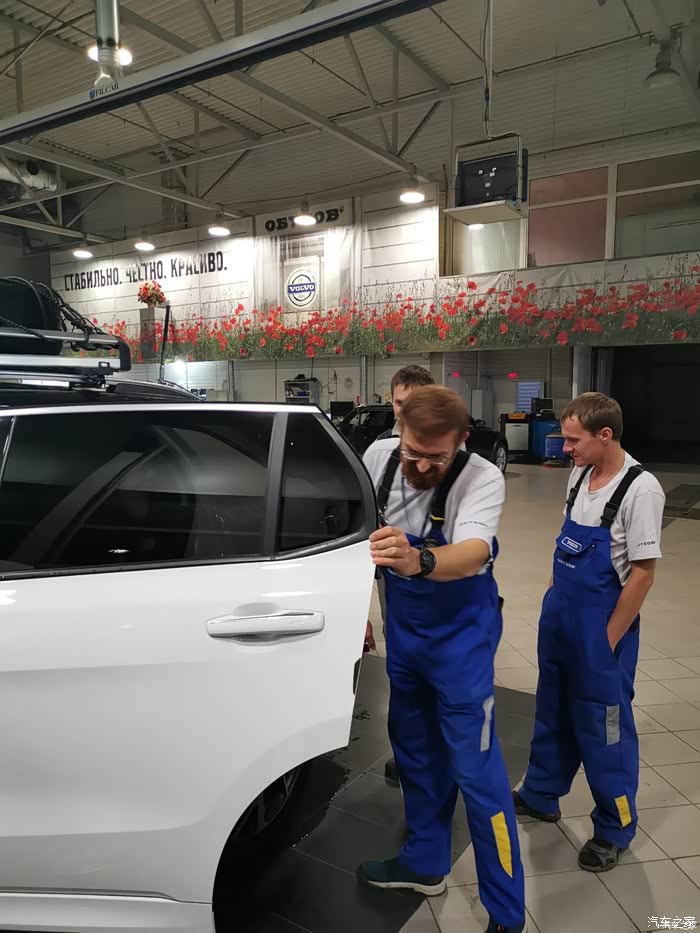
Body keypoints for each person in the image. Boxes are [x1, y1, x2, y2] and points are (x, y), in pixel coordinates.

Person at [359, 386, 526, 933]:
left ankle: (506, 911)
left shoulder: (482, 477)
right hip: (406, 639)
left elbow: (474, 552)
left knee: (477, 774)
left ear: (462, 441)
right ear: (399, 430)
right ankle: (424, 862)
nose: (423, 465)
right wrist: (358, 611)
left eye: (438, 456)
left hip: (462, 643)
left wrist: (419, 559)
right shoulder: (379, 457)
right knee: (415, 754)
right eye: (414, 451)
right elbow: (360, 536)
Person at [514, 392, 665, 873]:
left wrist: (608, 641)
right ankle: (541, 793)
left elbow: (642, 574)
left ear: (605, 435)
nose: (565, 449)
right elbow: (565, 543)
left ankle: (614, 828)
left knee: (605, 729)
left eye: (573, 440)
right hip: (561, 618)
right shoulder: (580, 475)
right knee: (552, 708)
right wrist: (553, 596)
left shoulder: (641, 489)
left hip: (602, 628)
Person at [364, 364, 435, 784]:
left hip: (442, 584)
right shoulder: (378, 454)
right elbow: (364, 528)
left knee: (438, 672)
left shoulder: (456, 455)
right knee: (403, 670)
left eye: (414, 403)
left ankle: (437, 751)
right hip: (396, 586)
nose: (404, 411)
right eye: (398, 403)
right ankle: (408, 754)